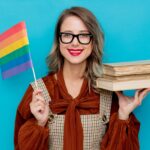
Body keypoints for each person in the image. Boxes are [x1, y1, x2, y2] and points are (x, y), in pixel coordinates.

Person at [14, 6, 150, 150]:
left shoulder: (109, 92)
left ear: (93, 41)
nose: (75, 42)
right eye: (67, 35)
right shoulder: (37, 92)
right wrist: (39, 124)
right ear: (59, 40)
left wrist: (122, 115)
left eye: (84, 35)